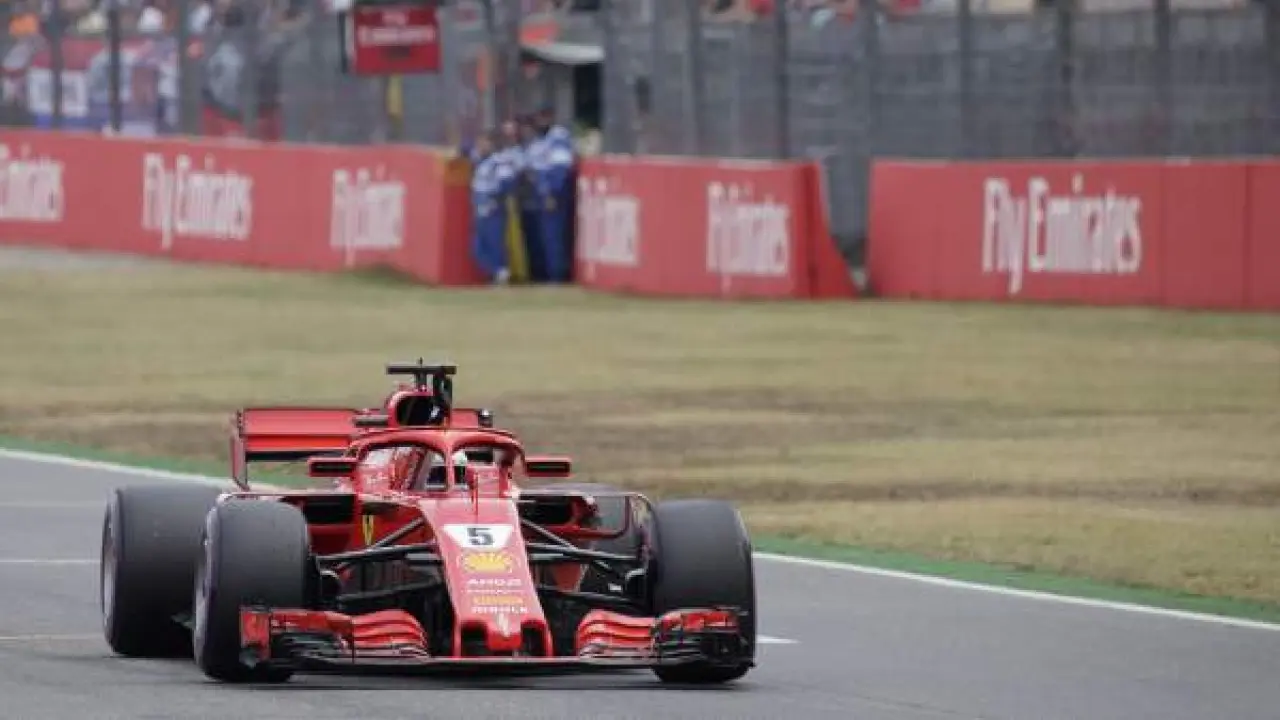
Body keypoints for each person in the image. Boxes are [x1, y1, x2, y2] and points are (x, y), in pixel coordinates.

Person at [531, 107, 576, 283]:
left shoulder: (558, 137)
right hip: (542, 192)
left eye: (543, 117)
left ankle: (557, 274)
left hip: (554, 193)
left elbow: (560, 168)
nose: (540, 122)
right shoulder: (541, 140)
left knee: (554, 234)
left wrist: (552, 192)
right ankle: (550, 272)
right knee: (546, 235)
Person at [469, 132, 515, 284]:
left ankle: (501, 272)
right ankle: (493, 272)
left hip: (493, 208)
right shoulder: (479, 161)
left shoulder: (499, 162)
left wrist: (495, 199)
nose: (481, 147)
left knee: (495, 242)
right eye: (479, 143)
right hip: (480, 207)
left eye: (484, 143)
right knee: (478, 247)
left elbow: (507, 183)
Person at [516, 115, 548, 282]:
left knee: (540, 238)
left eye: (527, 128)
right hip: (522, 200)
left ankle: (542, 273)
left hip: (538, 199)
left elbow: (534, 171)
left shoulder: (540, 147)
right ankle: (531, 271)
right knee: (526, 237)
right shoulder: (519, 149)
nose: (524, 131)